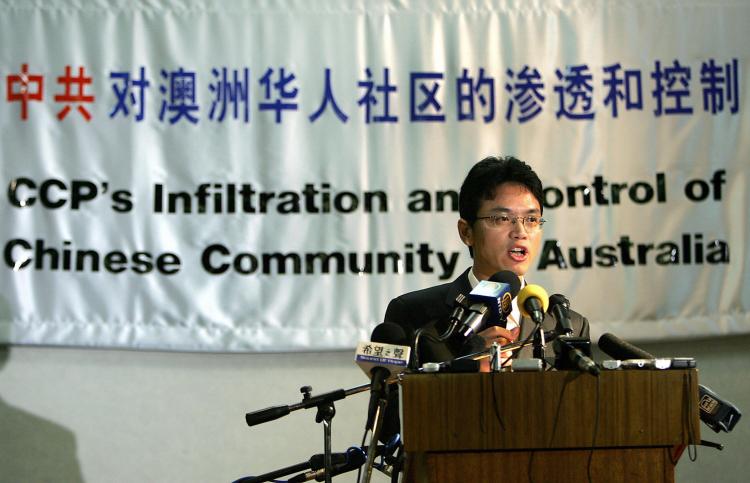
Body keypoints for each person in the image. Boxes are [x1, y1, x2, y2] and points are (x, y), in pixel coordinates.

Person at [383, 155, 589, 368]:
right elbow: (397, 399)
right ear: (466, 232)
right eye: (502, 219)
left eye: (531, 219)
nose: (520, 232)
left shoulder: (568, 324)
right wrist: (466, 370)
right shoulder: (413, 314)